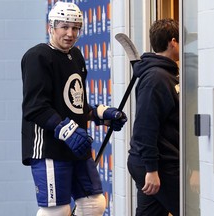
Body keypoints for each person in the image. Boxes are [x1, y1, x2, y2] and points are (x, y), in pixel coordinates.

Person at [21, 2, 127, 216]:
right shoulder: (38, 57)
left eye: (75, 28)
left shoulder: (76, 56)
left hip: (75, 147)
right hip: (49, 148)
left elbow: (76, 106)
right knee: (57, 210)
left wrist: (101, 115)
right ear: (51, 27)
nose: (70, 33)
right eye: (64, 27)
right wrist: (66, 130)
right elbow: (35, 107)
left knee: (94, 204)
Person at [127, 18, 180, 216]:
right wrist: (151, 170)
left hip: (155, 164)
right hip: (157, 165)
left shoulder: (166, 75)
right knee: (190, 208)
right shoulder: (156, 78)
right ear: (173, 42)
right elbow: (144, 128)